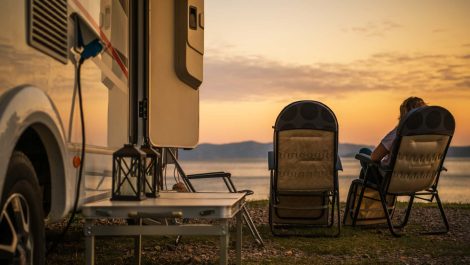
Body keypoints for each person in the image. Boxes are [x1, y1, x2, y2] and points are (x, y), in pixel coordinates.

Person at [359, 97, 427, 184]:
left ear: (404, 115)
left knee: (364, 152)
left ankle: (376, 196)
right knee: (364, 172)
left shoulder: (398, 132)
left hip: (391, 180)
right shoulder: (431, 137)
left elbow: (375, 157)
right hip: (419, 179)